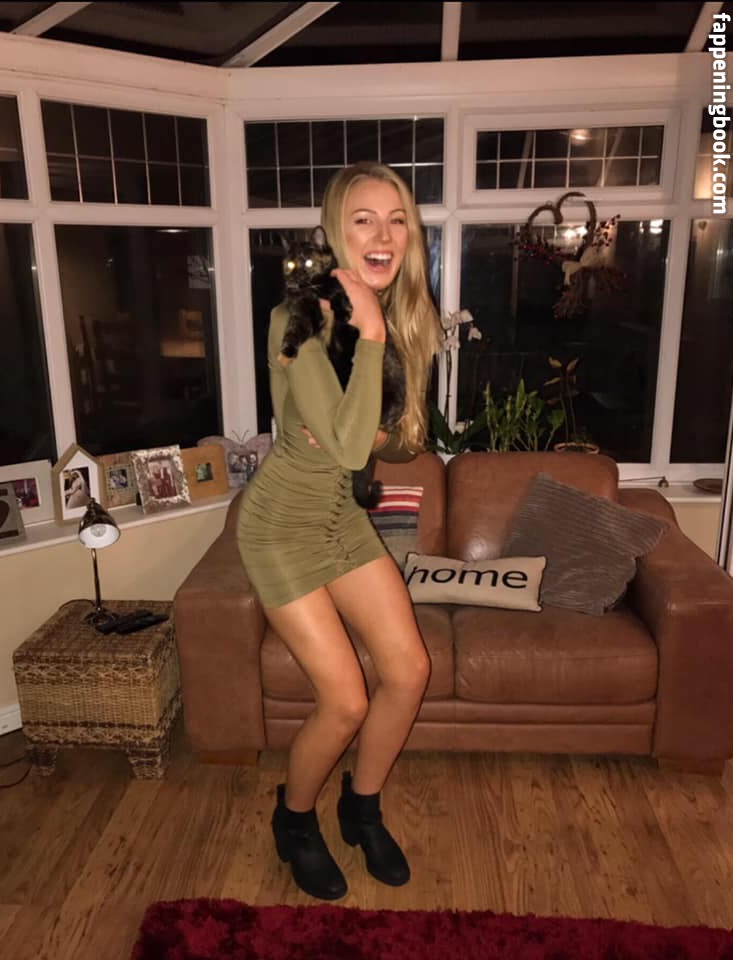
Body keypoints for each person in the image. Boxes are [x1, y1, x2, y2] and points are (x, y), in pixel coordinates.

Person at [235, 161, 441, 901]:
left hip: (341, 519)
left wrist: (371, 422)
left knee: (409, 671)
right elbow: (355, 448)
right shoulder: (300, 321)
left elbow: (400, 443)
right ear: (334, 231)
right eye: (364, 219)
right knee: (345, 701)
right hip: (281, 528)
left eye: (397, 219)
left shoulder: (407, 315)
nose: (383, 234)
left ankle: (362, 807)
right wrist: (375, 336)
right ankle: (294, 821)